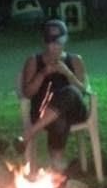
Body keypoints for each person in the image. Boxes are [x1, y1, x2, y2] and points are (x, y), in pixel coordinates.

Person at [17, 19, 89, 171]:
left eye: (57, 43)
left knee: (70, 92)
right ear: (44, 42)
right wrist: (42, 73)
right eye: (50, 43)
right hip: (44, 112)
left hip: (75, 110)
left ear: (64, 41)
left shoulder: (75, 60)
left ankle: (29, 133)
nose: (53, 47)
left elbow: (83, 90)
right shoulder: (34, 61)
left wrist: (67, 73)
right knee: (58, 119)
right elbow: (28, 93)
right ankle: (58, 165)